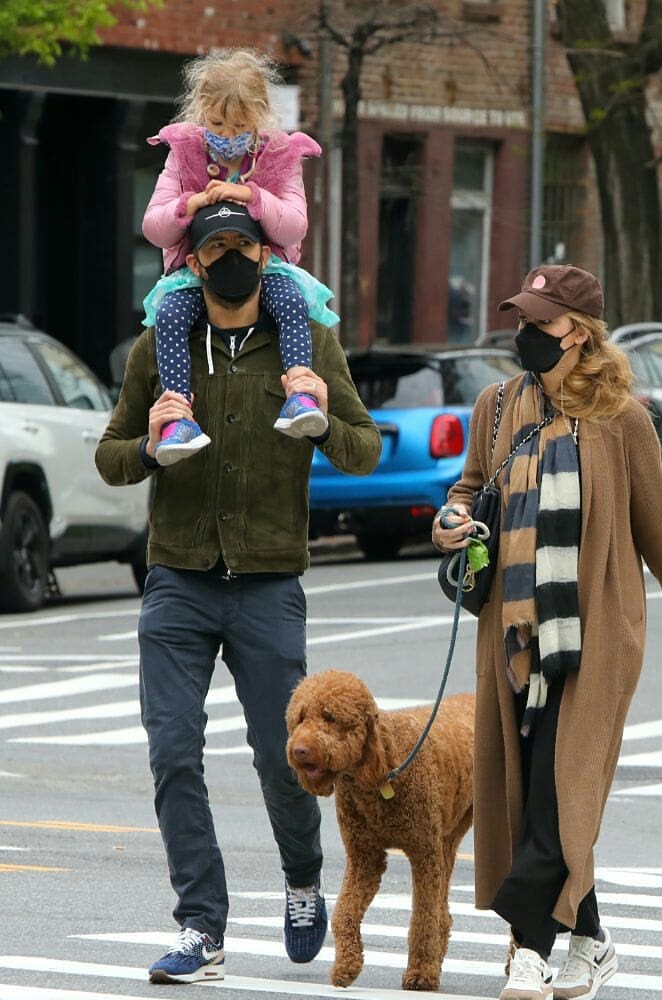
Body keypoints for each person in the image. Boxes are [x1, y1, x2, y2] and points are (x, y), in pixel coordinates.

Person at [95, 201, 381, 985]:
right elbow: (111, 458)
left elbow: (364, 448)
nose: (229, 257)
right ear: (192, 259)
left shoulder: (307, 342)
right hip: (179, 581)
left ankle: (300, 880)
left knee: (284, 754)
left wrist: (320, 420)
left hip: (267, 583)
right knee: (173, 751)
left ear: (265, 258)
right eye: (214, 244)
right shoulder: (162, 347)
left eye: (241, 245)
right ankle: (201, 926)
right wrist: (152, 445)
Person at [431, 264, 662, 1000]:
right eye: (522, 321)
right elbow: (469, 491)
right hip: (515, 630)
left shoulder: (623, 420)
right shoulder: (497, 407)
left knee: (562, 792)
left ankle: (527, 945)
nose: (526, 334)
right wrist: (451, 520)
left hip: (597, 638)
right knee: (532, 788)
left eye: (541, 323)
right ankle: (590, 942)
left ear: (580, 334)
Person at [141, 48, 340, 465]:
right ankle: (179, 416)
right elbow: (154, 227)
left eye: (239, 126)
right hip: (197, 273)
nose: (226, 136)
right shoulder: (183, 154)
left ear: (260, 117)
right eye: (216, 124)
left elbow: (294, 226)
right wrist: (189, 204)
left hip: (265, 270)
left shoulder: (280, 157)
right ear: (201, 113)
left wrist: (252, 195)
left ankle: (300, 394)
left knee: (290, 304)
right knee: (172, 316)